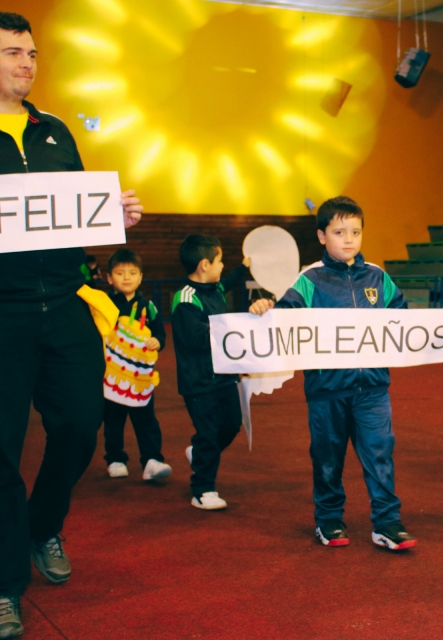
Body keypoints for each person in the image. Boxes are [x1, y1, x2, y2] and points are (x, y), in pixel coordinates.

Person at [0, 13, 143, 639]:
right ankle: (5, 585)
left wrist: (116, 217)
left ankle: (41, 526)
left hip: (63, 307)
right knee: (0, 454)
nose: (27, 63)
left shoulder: (54, 130)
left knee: (82, 427)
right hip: (1, 314)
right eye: (11, 53)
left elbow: (79, 214)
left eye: (31, 53)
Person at [257, 196, 443, 551]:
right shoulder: (310, 280)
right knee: (327, 457)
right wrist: (265, 309)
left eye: (355, 231)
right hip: (327, 391)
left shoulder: (378, 277)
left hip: (372, 389)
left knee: (379, 452)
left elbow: (403, 320)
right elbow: (284, 319)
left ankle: (387, 522)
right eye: (339, 232)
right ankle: (329, 520)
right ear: (322, 236)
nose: (349, 239)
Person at [171, 235, 257, 511]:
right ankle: (202, 489)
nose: (223, 266)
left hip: (224, 376)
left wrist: (244, 267)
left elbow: (228, 281)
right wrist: (237, 329)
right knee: (208, 433)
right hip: (198, 382)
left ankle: (198, 454)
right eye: (220, 261)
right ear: (205, 264)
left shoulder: (216, 288)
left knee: (231, 425)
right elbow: (194, 339)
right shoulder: (185, 299)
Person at [103, 249, 171, 482]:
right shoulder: (105, 306)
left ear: (141, 277)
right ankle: (115, 459)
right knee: (113, 419)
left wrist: (157, 342)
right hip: (112, 377)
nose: (126, 277)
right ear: (109, 278)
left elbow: (160, 334)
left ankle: (152, 460)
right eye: (120, 273)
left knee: (147, 420)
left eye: (132, 272)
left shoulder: (148, 307)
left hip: (141, 376)